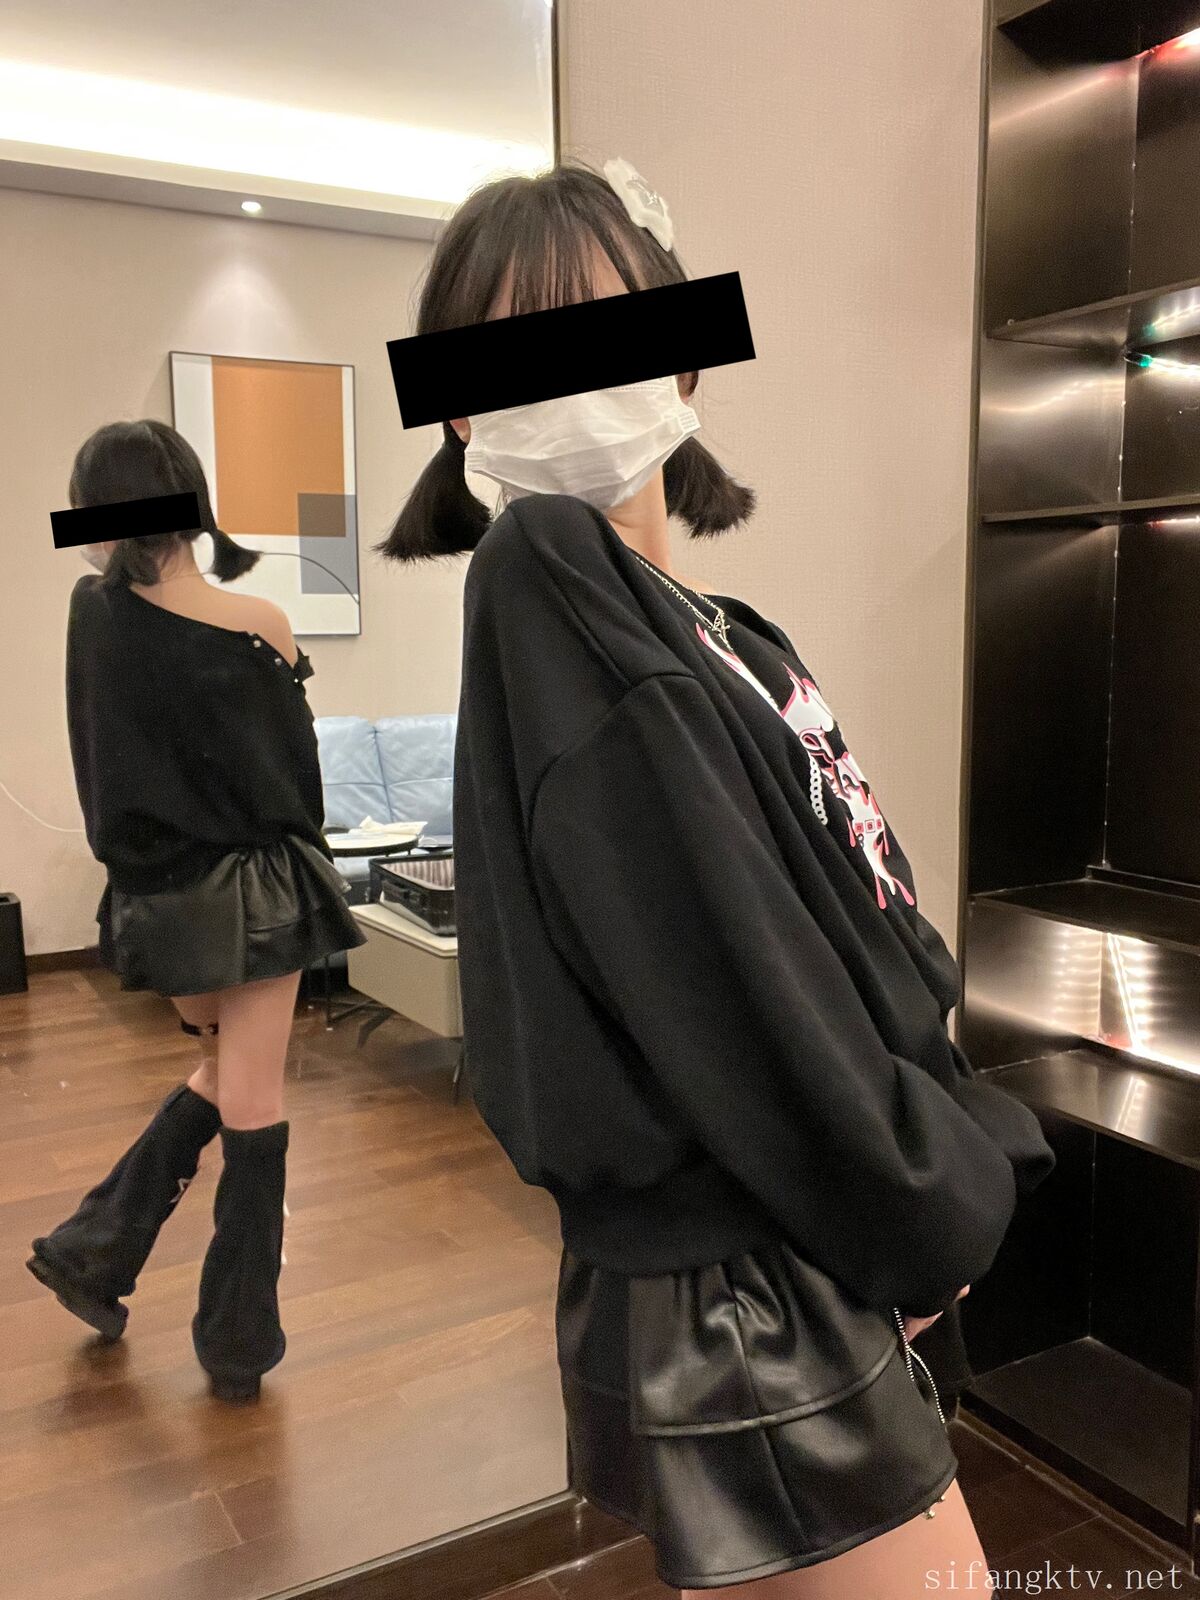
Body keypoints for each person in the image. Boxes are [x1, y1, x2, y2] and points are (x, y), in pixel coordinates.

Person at [379, 157, 1055, 1595]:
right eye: (510, 351)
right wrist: (924, 1204)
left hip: (810, 1225)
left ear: (683, 364)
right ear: (458, 411)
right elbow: (732, 980)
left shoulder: (719, 625)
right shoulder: (546, 576)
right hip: (758, 1270)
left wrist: (934, 1145)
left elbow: (849, 918)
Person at [28, 419, 365, 1403]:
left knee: (222, 1073)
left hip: (156, 906)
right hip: (255, 898)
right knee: (254, 1101)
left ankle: (92, 1252)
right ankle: (237, 1339)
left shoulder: (92, 615)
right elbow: (295, 787)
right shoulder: (258, 624)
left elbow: (100, 767)